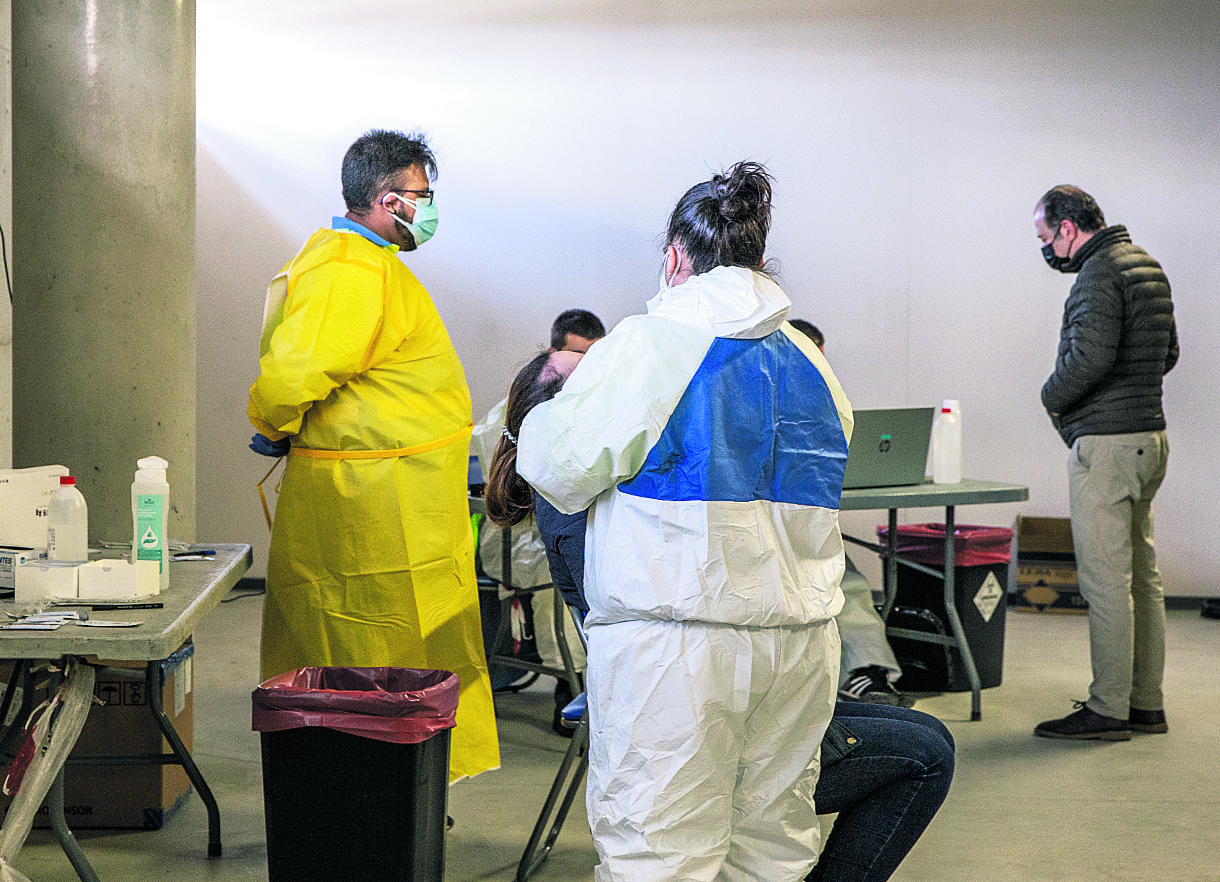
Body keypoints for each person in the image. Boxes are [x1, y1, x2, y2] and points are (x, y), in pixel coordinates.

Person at [490, 350, 955, 882]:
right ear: (554, 416)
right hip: (686, 714)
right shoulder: (587, 507)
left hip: (711, 686)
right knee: (924, 754)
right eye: (589, 375)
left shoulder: (607, 488)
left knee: (928, 735)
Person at [517, 161, 851, 881]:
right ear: (761, 261)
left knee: (658, 854)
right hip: (801, 648)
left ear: (675, 257)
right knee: (771, 849)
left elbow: (553, 466)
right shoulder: (812, 363)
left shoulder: (649, 344)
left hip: (676, 648)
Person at [247, 129, 499, 782]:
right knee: (366, 657)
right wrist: (269, 420)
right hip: (366, 515)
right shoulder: (348, 268)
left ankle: (394, 789)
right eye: (424, 195)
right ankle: (372, 793)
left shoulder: (371, 265)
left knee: (397, 652)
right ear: (389, 199)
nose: (431, 207)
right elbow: (294, 374)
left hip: (391, 502)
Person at [1032, 185, 1178, 742]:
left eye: (1047, 238)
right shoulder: (1146, 264)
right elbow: (1169, 353)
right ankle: (1146, 705)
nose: (1048, 250)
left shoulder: (1097, 273)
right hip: (1150, 439)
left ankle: (1108, 708)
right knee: (1144, 579)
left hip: (1109, 446)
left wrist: (1051, 396)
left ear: (1069, 228)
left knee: (1105, 583)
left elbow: (1089, 357)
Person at [470, 310, 606, 725]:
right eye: (578, 357)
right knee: (566, 581)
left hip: (545, 547)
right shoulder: (530, 414)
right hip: (520, 553)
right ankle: (574, 683)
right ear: (553, 352)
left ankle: (578, 681)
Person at [789, 319, 912, 707]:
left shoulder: (826, 405)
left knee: (846, 575)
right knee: (839, 577)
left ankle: (868, 674)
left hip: (806, 531)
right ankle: (862, 674)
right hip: (765, 536)